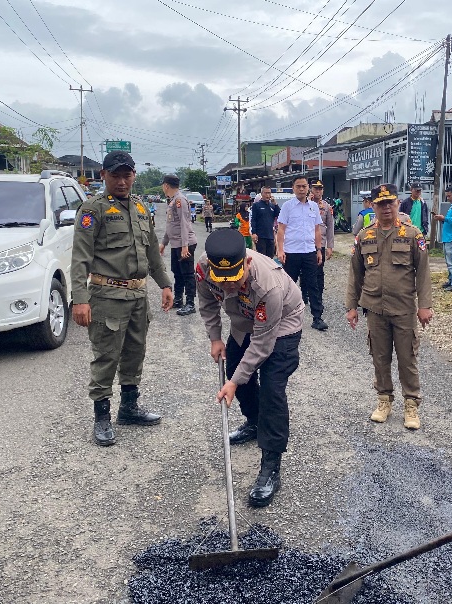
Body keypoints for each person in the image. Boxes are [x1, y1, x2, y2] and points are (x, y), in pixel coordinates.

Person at [71, 151, 174, 447]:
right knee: (106, 356)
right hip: (107, 296)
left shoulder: (141, 207)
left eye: (126, 175)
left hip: (138, 294)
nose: (121, 181)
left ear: (134, 175)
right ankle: (101, 417)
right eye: (115, 175)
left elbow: (152, 252)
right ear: (103, 175)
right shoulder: (93, 209)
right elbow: (80, 257)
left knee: (134, 353)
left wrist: (165, 284)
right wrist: (80, 299)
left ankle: (129, 408)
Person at [196, 229, 304, 507]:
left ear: (247, 262)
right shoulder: (204, 267)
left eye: (235, 278)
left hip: (282, 325)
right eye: (223, 281)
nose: (230, 286)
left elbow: (263, 344)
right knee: (236, 371)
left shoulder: (268, 285)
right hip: (244, 322)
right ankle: (255, 423)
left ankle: (271, 467)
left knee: (272, 390)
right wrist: (215, 338)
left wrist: (233, 382)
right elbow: (207, 301)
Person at [346, 184, 433, 430]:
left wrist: (424, 306)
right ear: (373, 207)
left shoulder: (412, 234)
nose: (386, 208)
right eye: (381, 204)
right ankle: (384, 399)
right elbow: (355, 274)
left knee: (407, 358)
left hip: (404, 308)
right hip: (375, 308)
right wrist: (351, 306)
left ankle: (411, 403)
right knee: (380, 357)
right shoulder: (364, 236)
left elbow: (423, 273)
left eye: (390, 203)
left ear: (397, 204)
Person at [276, 176, 328, 331]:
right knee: (288, 285)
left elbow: (317, 230)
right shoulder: (287, 206)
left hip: (309, 252)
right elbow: (281, 230)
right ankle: (284, 317)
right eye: (298, 186)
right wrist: (280, 250)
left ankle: (317, 318)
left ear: (308, 188)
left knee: (313, 285)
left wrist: (318, 250)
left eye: (304, 186)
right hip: (291, 252)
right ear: (293, 188)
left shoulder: (313, 207)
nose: (301, 189)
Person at [159, 174, 198, 316]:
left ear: (166, 185)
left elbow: (184, 223)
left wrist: (185, 246)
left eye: (163, 185)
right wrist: (164, 243)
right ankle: (178, 299)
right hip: (176, 244)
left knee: (187, 274)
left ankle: (190, 303)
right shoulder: (173, 201)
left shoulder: (180, 200)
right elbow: (171, 225)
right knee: (177, 273)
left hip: (184, 244)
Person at [310, 180, 335, 304]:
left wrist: (330, 246)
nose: (318, 191)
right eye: (316, 189)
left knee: (319, 271)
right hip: (307, 243)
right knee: (307, 272)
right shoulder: (305, 204)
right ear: (311, 190)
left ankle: (318, 296)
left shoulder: (326, 207)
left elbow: (330, 227)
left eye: (320, 189)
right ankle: (305, 295)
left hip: (321, 244)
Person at [250, 186, 280, 258]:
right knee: (262, 257)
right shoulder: (256, 205)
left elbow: (279, 215)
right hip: (260, 236)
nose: (267, 195)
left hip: (270, 236)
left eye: (269, 193)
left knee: (270, 257)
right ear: (261, 194)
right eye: (266, 193)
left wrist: (276, 204)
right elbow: (253, 219)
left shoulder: (272, 206)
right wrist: (254, 233)